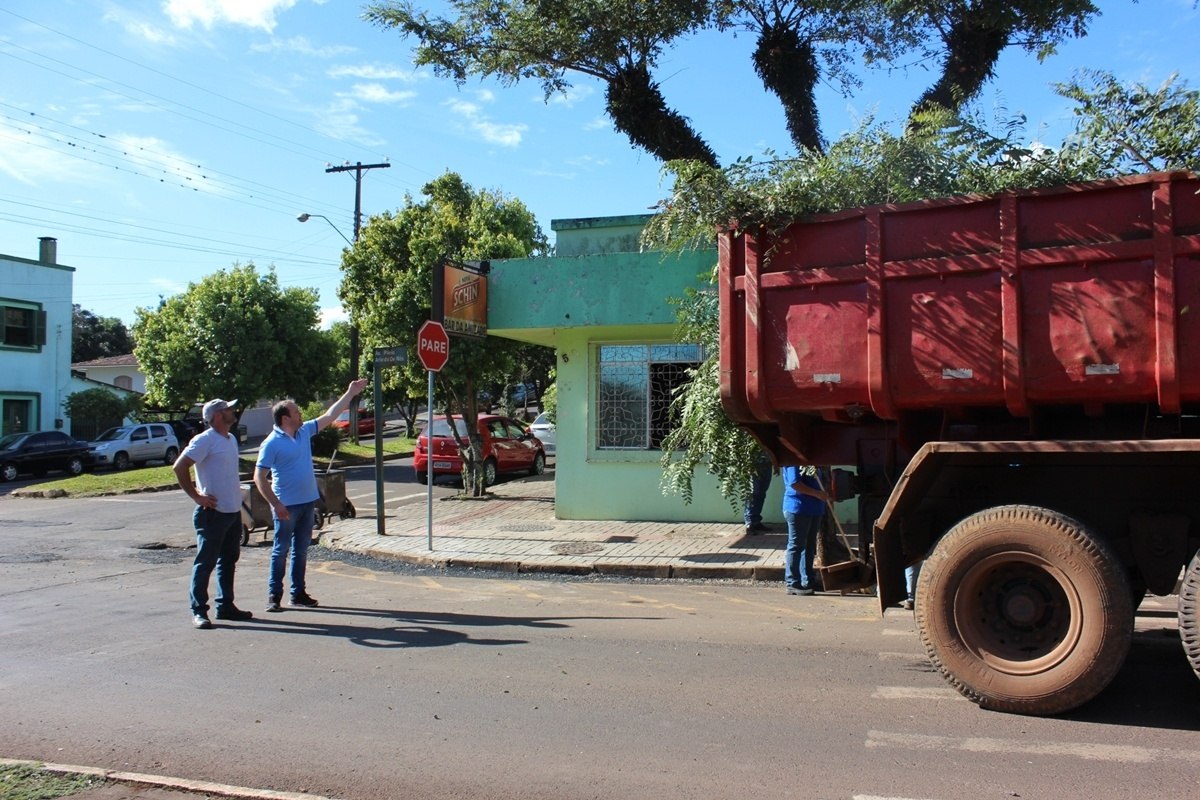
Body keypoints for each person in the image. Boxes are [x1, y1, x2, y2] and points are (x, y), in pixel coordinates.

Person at [255, 379, 369, 612]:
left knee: (301, 550)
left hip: (308, 504)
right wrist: (275, 504)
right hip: (286, 507)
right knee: (280, 551)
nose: (301, 415)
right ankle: (273, 595)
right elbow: (259, 477)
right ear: (285, 418)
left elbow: (330, 415)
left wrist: (350, 393)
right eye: (297, 412)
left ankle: (298, 594)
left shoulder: (304, 431)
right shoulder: (271, 444)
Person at [174, 398, 251, 629]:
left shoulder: (230, 439)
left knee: (228, 560)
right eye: (228, 409)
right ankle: (198, 610)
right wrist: (197, 496)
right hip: (212, 513)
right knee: (205, 562)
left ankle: (225, 606)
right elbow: (179, 466)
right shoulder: (204, 440)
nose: (233, 411)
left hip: (232, 511)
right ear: (217, 415)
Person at [781, 464, 829, 596]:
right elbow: (795, 483)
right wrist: (818, 494)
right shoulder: (792, 459)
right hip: (798, 507)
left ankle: (808, 580)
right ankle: (792, 583)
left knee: (809, 545)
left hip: (814, 508)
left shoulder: (811, 460)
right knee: (797, 545)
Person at [742, 447, 773, 535]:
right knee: (753, 492)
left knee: (762, 492)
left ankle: (756, 521)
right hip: (753, 463)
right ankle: (750, 523)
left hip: (767, 462)